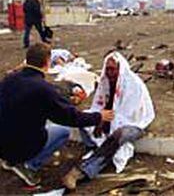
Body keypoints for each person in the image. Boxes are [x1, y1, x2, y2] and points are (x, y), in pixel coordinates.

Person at [0, 43, 113, 187]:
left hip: (2, 142)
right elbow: (70, 118)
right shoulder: (43, 89)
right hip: (20, 145)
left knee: (28, 120)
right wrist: (98, 117)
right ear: (47, 62)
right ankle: (29, 166)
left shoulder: (9, 79)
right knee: (62, 131)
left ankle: (8, 158)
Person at [62, 51, 155, 190]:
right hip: (111, 118)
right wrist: (99, 118)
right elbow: (99, 105)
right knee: (83, 118)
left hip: (135, 123)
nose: (110, 73)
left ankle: (82, 172)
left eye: (113, 69)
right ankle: (94, 149)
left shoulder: (133, 85)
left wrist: (103, 120)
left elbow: (128, 114)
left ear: (120, 69)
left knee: (119, 134)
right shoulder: (106, 81)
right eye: (108, 69)